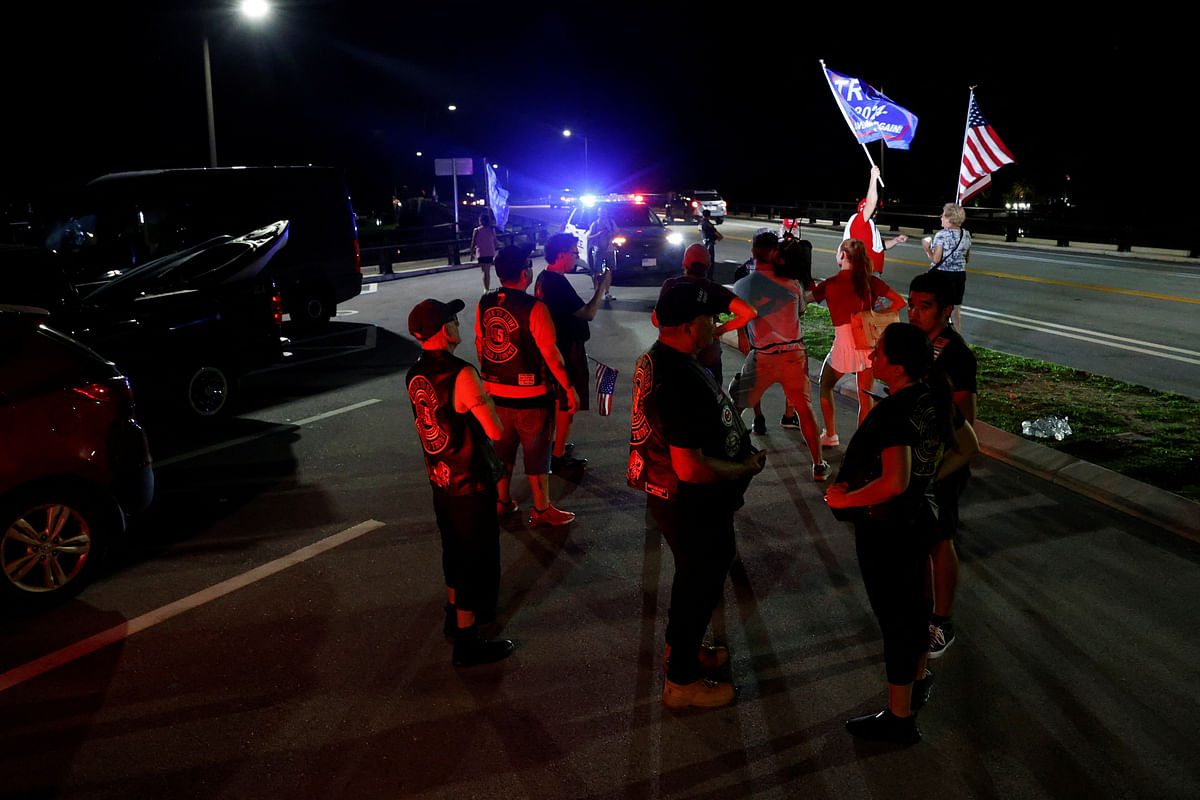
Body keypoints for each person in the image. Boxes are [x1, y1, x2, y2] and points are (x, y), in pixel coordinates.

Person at [824, 322, 978, 745]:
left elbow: (893, 481)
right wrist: (926, 480)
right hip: (919, 521)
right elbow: (968, 448)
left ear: (896, 365)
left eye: (879, 353)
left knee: (897, 622)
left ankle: (899, 719)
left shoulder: (895, 411)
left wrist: (843, 500)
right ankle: (915, 683)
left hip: (889, 530)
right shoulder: (934, 398)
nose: (872, 358)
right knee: (916, 611)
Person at [629, 281, 768, 709]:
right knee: (696, 584)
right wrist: (744, 467)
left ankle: (684, 653)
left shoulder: (667, 359)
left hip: (682, 501)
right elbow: (689, 467)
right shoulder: (676, 377)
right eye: (709, 319)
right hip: (687, 502)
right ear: (690, 326)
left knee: (703, 574)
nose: (715, 325)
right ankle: (681, 681)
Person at [406, 297, 515, 666]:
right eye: (453, 320)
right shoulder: (462, 373)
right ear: (443, 329)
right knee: (474, 557)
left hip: (441, 478)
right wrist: (486, 400)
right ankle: (468, 640)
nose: (458, 326)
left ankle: (455, 616)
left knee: (453, 551)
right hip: (470, 481)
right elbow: (495, 432)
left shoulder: (415, 372)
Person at [475, 244, 579, 527]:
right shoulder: (535, 308)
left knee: (502, 450)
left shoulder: (485, 302)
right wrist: (569, 389)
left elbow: (481, 343)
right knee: (536, 452)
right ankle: (542, 508)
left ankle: (501, 501)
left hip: (496, 391)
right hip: (532, 394)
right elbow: (551, 354)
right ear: (524, 273)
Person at [907, 271, 978, 659]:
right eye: (911, 304)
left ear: (947, 311)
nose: (914, 312)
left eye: (925, 306)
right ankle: (922, 610)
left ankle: (942, 621)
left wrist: (939, 468)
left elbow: (965, 420)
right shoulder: (917, 343)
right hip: (917, 459)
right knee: (921, 537)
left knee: (940, 539)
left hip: (942, 464)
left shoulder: (956, 354)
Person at [728, 232, 828, 480]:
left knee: (737, 404)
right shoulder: (793, 285)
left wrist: (742, 334)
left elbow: (741, 316)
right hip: (794, 354)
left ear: (753, 252)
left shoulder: (743, 286)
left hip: (762, 355)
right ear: (777, 254)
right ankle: (818, 465)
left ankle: (724, 453)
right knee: (804, 409)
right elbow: (800, 313)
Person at [809, 238, 906, 444]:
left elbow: (805, 299)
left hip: (844, 343)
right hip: (868, 342)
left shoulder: (831, 283)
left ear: (843, 256)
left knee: (825, 384)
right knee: (865, 395)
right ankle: (862, 442)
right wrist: (878, 315)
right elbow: (900, 302)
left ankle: (831, 434)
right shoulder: (870, 281)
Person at [535, 233, 612, 476]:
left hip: (556, 347)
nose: (577, 256)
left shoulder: (545, 278)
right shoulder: (556, 283)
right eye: (573, 252)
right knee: (568, 402)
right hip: (566, 350)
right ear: (561, 255)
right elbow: (588, 313)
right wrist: (601, 287)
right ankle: (557, 458)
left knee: (559, 402)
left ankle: (556, 447)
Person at [658, 243, 757, 387]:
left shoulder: (670, 286)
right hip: (707, 358)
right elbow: (749, 312)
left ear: (684, 263)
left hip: (673, 356)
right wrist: (718, 330)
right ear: (709, 266)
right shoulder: (715, 290)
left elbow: (656, 320)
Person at [843, 165, 908, 274]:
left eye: (877, 209)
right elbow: (871, 203)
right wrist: (873, 178)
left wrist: (896, 240)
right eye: (874, 209)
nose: (876, 211)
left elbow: (879, 246)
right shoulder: (858, 220)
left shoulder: (870, 225)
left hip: (873, 272)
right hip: (863, 272)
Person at [921, 203, 973, 333]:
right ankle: (957, 341)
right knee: (955, 310)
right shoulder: (966, 234)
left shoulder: (941, 235)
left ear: (950, 219)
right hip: (959, 275)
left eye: (943, 215)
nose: (941, 218)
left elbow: (936, 259)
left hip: (941, 275)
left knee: (937, 308)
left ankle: (934, 336)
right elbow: (967, 259)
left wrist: (927, 248)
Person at [586, 205, 618, 302]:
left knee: (609, 271)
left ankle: (607, 292)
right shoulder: (595, 224)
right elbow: (589, 237)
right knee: (598, 272)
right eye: (601, 212)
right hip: (599, 250)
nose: (603, 214)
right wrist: (599, 234)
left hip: (610, 249)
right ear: (598, 213)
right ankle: (597, 293)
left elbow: (617, 232)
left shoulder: (611, 223)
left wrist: (611, 234)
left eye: (604, 212)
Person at [470, 210, 500, 291]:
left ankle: (486, 289)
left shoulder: (476, 230)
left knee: (484, 272)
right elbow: (495, 241)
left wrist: (471, 253)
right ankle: (486, 288)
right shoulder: (491, 229)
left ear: (480, 221)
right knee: (487, 271)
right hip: (490, 252)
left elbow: (473, 242)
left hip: (481, 253)